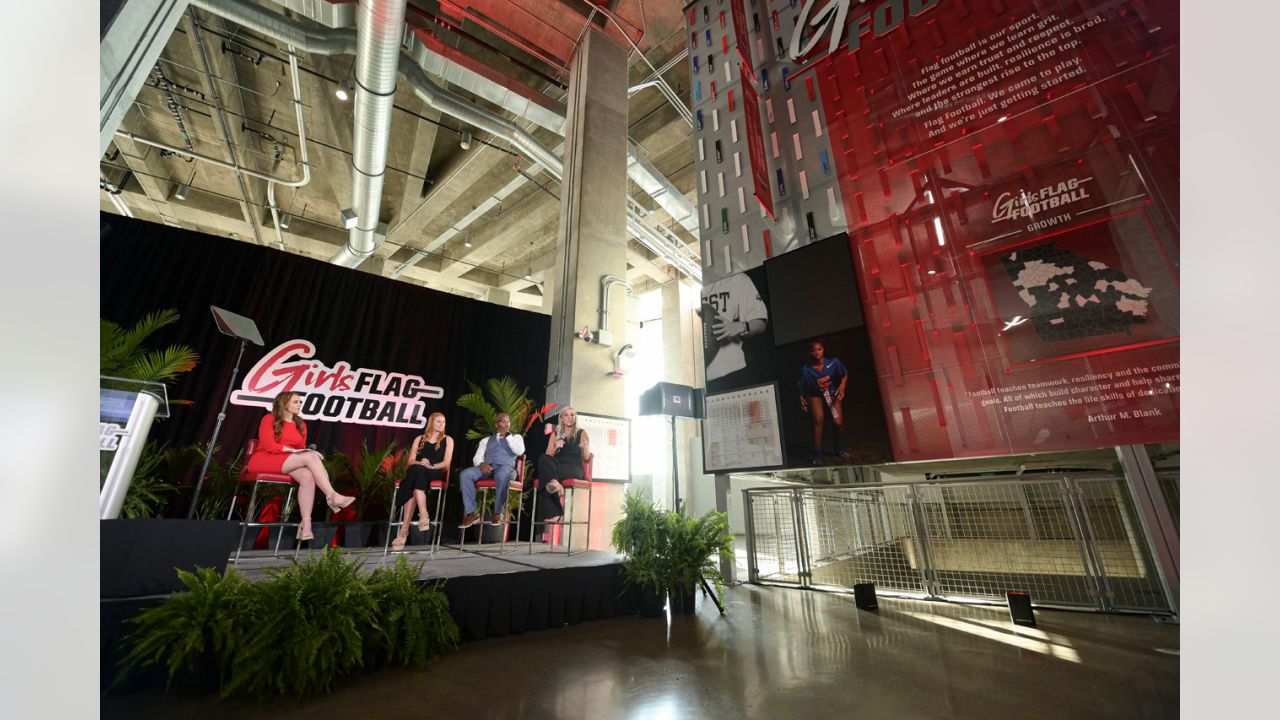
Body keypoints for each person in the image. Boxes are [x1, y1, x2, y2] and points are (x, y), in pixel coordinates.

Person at [244, 391, 354, 541]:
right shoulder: (269, 419)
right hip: (266, 459)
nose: (299, 405)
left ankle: (306, 524)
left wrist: (304, 453)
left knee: (308, 476)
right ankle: (332, 495)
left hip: (287, 460)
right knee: (311, 456)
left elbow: (301, 447)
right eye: (295, 402)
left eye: (300, 402)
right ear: (283, 403)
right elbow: (269, 446)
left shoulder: (301, 424)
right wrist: (297, 452)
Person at [391, 412, 453, 551]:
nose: (442, 424)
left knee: (414, 475)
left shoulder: (448, 440)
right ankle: (423, 514)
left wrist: (431, 465)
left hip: (435, 471)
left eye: (443, 422)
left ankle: (403, 531)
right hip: (419, 471)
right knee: (416, 469)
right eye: (438, 421)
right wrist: (420, 462)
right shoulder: (419, 439)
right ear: (431, 423)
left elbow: (446, 463)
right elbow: (410, 461)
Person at [457, 412, 525, 528]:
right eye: (503, 421)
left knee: (502, 475)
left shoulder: (516, 438)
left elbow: (520, 451)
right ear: (496, 424)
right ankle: (472, 513)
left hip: (506, 469)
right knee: (465, 474)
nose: (506, 423)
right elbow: (477, 457)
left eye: (508, 421)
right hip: (488, 469)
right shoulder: (486, 440)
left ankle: (498, 512)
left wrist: (507, 436)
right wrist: (482, 463)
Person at [701, 271, 768, 383]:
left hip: (732, 372)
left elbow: (761, 323)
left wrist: (740, 327)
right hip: (700, 378)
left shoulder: (737, 279)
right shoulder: (691, 286)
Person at [536, 406, 592, 529]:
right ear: (561, 418)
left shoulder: (581, 433)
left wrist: (585, 447)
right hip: (557, 467)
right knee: (542, 458)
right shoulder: (556, 433)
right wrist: (556, 446)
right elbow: (549, 455)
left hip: (574, 469)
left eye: (572, 415)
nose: (569, 417)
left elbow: (587, 458)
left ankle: (555, 510)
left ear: (575, 418)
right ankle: (555, 483)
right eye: (566, 415)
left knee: (544, 478)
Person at [799, 340, 849, 466]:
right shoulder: (806, 369)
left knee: (838, 422)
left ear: (823, 350)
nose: (817, 352)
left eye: (819, 349)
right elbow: (801, 386)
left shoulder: (833, 363)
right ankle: (817, 454)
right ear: (810, 352)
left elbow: (844, 374)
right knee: (818, 419)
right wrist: (801, 398)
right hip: (815, 395)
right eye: (814, 350)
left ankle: (839, 448)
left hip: (831, 394)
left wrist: (842, 386)